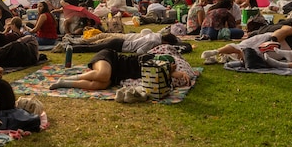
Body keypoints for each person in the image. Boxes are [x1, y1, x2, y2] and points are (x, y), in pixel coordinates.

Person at [49, 47, 195, 91]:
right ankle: (73, 77)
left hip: (116, 76)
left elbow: (161, 73)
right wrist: (175, 72)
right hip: (110, 58)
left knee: (100, 85)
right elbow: (156, 66)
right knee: (104, 74)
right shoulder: (147, 59)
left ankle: (64, 82)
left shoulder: (157, 73)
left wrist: (178, 73)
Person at [62, 29, 180, 55]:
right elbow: (139, 52)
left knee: (93, 45)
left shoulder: (155, 35)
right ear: (166, 42)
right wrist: (152, 52)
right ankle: (70, 48)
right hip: (120, 45)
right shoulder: (154, 42)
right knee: (92, 48)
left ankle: (72, 45)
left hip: (120, 41)